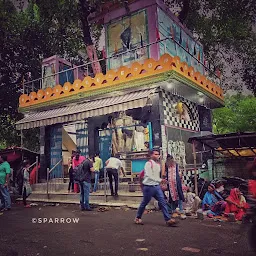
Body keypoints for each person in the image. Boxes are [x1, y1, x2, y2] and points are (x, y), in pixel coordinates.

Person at [134, 149, 177, 226]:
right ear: (151, 155)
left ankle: (168, 219)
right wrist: (160, 180)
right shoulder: (148, 164)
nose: (157, 156)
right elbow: (149, 175)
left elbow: (158, 175)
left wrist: (160, 181)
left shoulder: (158, 164)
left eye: (158, 154)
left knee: (163, 202)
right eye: (155, 154)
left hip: (156, 187)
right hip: (148, 187)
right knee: (144, 203)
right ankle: (137, 217)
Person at [164, 154, 186, 220]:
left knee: (179, 196)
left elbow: (179, 174)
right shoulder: (166, 165)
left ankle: (181, 212)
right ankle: (173, 211)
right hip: (170, 184)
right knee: (172, 198)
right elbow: (164, 174)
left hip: (177, 183)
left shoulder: (176, 164)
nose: (170, 161)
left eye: (171, 159)